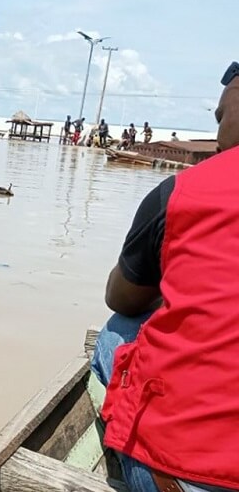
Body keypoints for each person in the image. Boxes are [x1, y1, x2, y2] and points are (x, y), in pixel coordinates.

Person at [91, 61, 239, 492]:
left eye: (220, 117)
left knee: (117, 332)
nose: (215, 133)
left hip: (187, 468)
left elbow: (121, 298)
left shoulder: (182, 192)